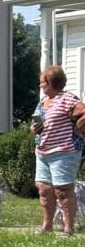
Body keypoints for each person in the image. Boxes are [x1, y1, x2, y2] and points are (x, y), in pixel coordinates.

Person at [31, 65, 82, 237]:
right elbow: (34, 124)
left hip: (64, 152)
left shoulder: (67, 98)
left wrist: (80, 129)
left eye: (42, 82)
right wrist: (34, 127)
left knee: (63, 190)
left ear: (52, 82)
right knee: (44, 190)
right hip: (43, 152)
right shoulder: (42, 102)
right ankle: (47, 226)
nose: (40, 86)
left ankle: (68, 229)